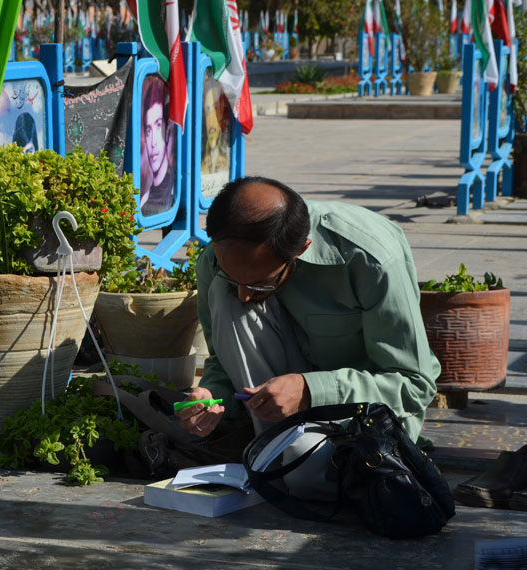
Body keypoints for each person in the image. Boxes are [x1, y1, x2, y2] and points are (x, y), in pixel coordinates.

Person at [177, 176, 440, 496]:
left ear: (301, 250)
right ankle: (276, 451)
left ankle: (286, 458)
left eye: (260, 283)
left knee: (303, 473)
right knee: (223, 293)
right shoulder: (216, 263)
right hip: (282, 421)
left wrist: (311, 390)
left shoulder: (368, 257)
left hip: (363, 418)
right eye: (236, 279)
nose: (244, 295)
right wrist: (211, 397)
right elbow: (223, 361)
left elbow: (414, 386)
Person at [140, 77, 174, 217]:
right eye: (148, 131)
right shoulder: (143, 200)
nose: (153, 142)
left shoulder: (175, 192)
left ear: (166, 131)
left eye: (158, 125)